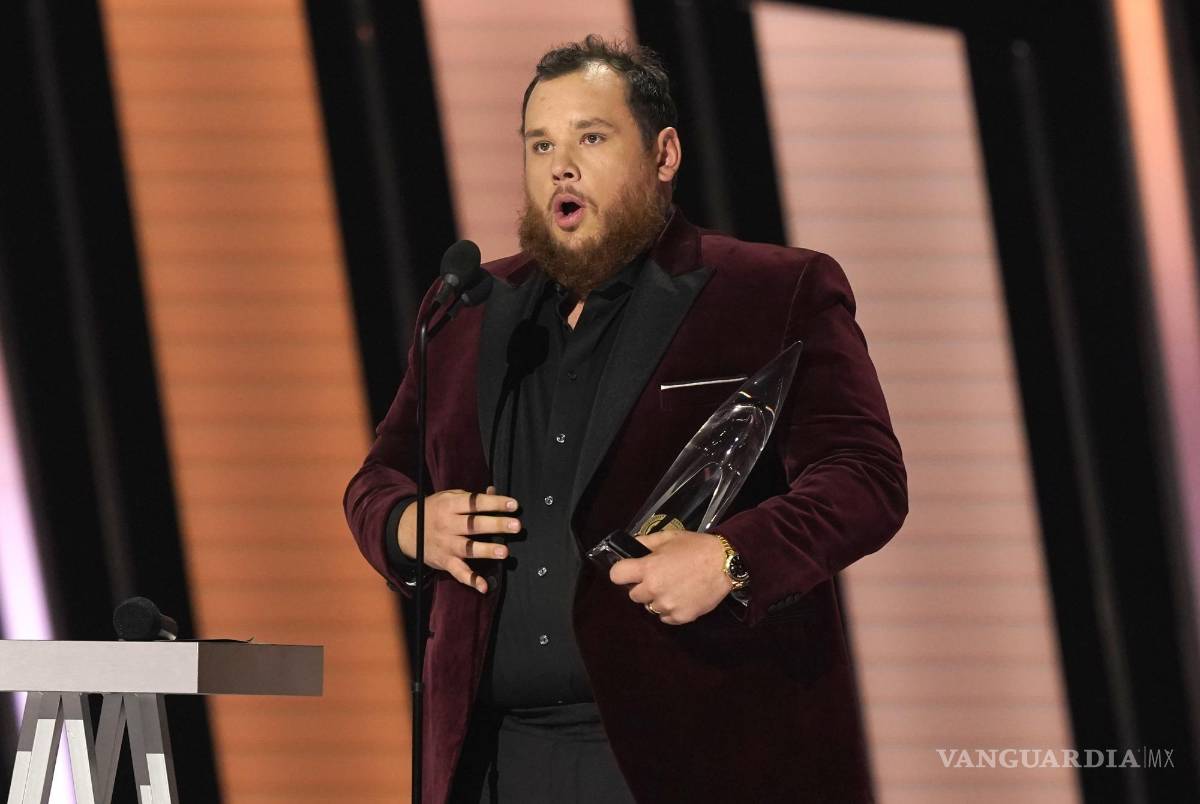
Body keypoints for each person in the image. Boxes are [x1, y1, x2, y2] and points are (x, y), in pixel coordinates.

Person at [344, 34, 907, 804]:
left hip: (690, 753)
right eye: (540, 144)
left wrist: (731, 559)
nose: (559, 166)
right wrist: (408, 525)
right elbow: (379, 477)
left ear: (664, 153)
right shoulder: (468, 308)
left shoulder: (772, 290)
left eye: (591, 138)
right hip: (492, 759)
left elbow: (866, 478)